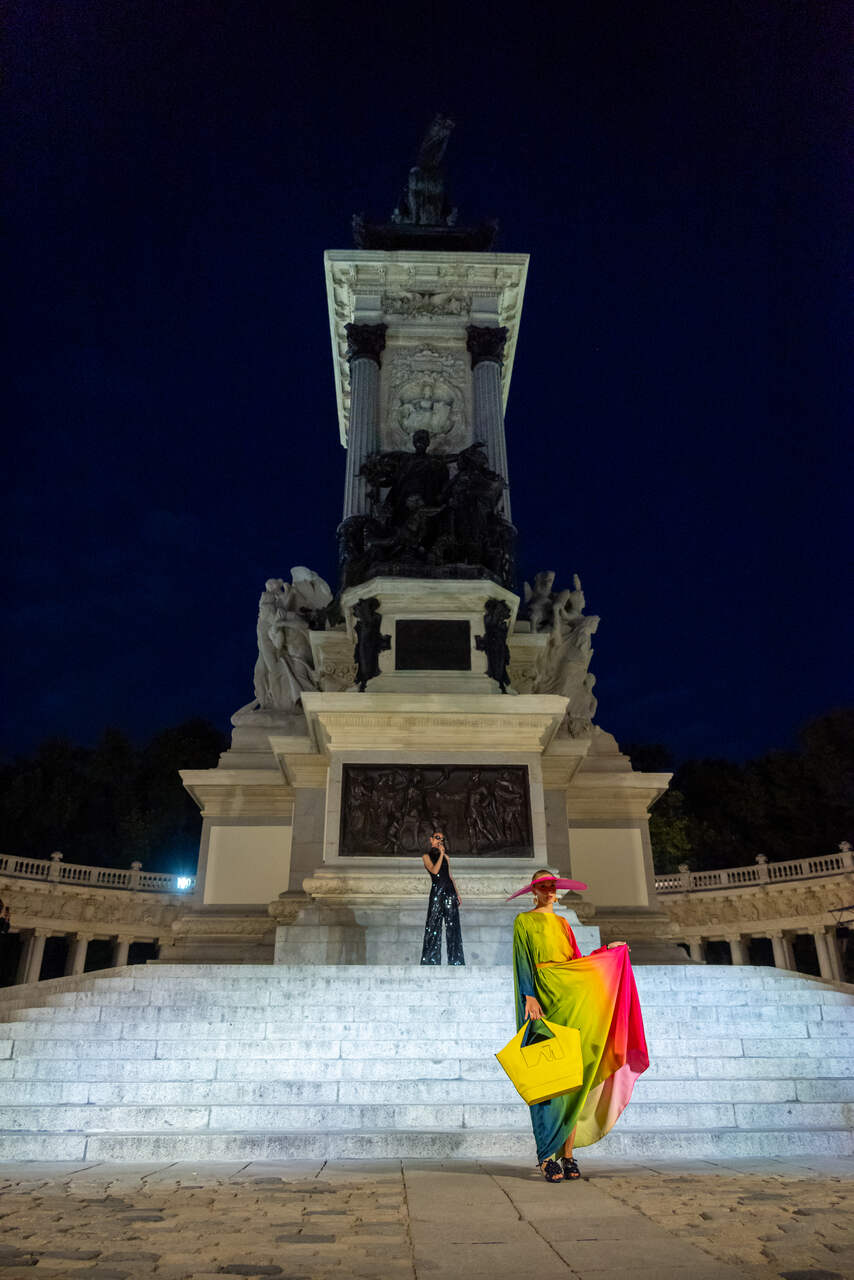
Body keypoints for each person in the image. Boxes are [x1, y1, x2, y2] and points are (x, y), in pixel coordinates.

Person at [510, 870, 648, 1183]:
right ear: (534, 892)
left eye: (551, 887)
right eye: (542, 887)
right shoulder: (524, 921)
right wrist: (528, 996)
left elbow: (576, 960)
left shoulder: (562, 923)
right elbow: (522, 961)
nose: (548, 891)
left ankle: (568, 1155)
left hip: (569, 994)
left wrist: (607, 954)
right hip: (543, 997)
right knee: (548, 1080)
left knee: (574, 1077)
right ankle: (546, 1157)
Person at [420, 831, 465, 965]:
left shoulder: (446, 857)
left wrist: (457, 894)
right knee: (433, 926)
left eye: (442, 839)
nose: (440, 840)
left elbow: (450, 876)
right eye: (437, 838)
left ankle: (455, 961)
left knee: (453, 926)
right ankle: (431, 961)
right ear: (431, 839)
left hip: (449, 891)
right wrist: (440, 855)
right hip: (437, 893)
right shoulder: (426, 856)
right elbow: (434, 870)